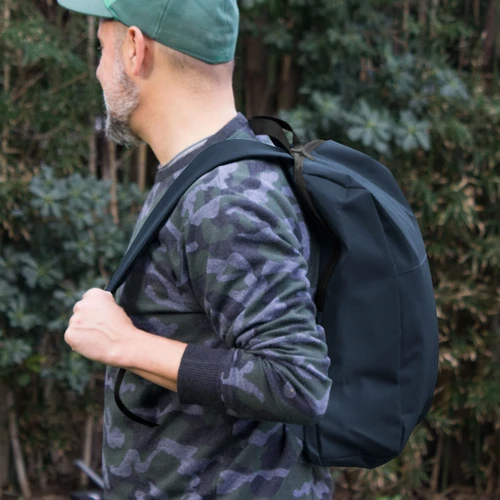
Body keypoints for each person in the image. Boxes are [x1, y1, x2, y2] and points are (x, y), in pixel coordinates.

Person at [59, 0, 333, 498]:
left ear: (135, 49)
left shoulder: (226, 197)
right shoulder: (204, 172)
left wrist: (125, 344)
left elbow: (297, 380)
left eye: (101, 48)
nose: (98, 70)